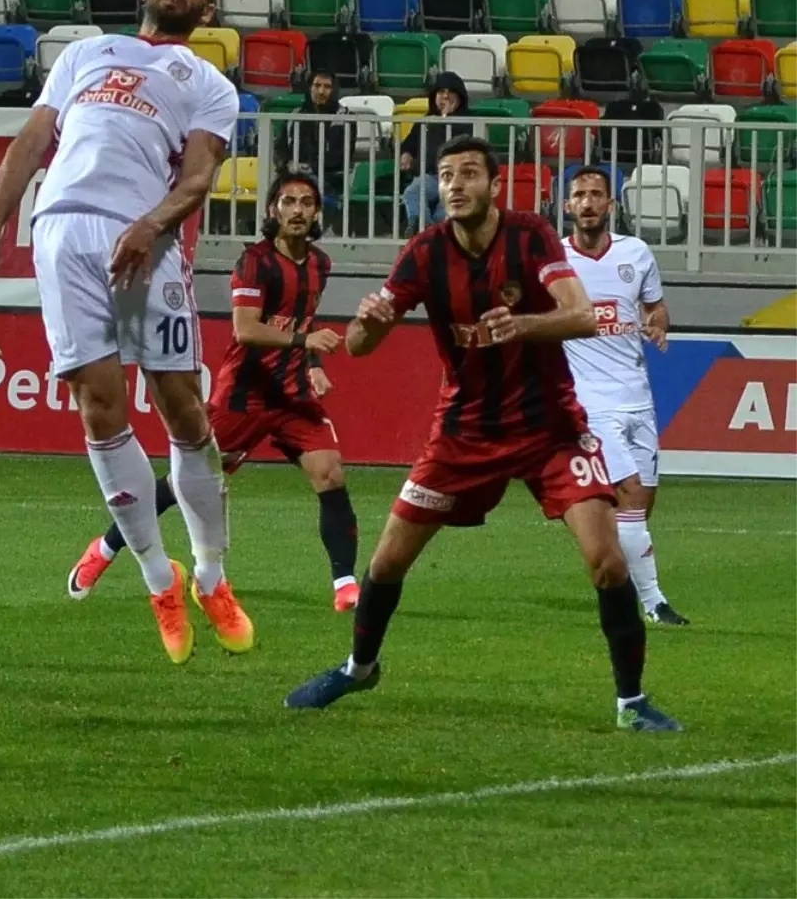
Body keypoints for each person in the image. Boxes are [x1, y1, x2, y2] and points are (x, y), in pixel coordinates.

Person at [284, 135, 683, 733]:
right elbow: (362, 348)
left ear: (495, 185)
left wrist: (521, 323)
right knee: (388, 562)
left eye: (470, 173)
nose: (456, 184)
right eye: (446, 176)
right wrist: (369, 323)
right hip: (465, 430)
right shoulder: (423, 252)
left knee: (607, 562)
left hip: (549, 425)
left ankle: (631, 703)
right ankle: (359, 667)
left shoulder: (530, 237)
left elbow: (582, 315)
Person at [0, 0, 254, 666]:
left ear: (207, 11)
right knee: (99, 409)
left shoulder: (210, 83)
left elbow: (196, 180)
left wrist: (150, 226)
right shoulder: (85, 55)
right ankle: (162, 579)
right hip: (61, 229)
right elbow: (30, 145)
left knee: (182, 408)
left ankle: (212, 576)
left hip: (144, 238)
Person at [67, 172, 361, 613]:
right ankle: (104, 550)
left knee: (330, 473)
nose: (297, 210)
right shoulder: (254, 262)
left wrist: (312, 363)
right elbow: (246, 329)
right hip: (244, 395)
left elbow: (300, 320)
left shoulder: (320, 263)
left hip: (293, 394)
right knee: (187, 481)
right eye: (288, 202)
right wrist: (306, 344)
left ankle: (345, 585)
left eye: (306, 202)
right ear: (272, 211)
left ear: (317, 212)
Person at [564, 166, 689, 627]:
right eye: (580, 195)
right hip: (590, 401)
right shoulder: (554, 262)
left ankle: (611, 576)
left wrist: (658, 322)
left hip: (637, 395)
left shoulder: (636, 253)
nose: (589, 202)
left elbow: (656, 306)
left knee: (640, 507)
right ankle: (654, 603)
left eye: (597, 194)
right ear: (568, 206)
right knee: (630, 495)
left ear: (611, 205)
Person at [400, 70, 471, 233]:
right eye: (441, 92)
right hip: (430, 177)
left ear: (460, 97)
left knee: (444, 211)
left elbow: (457, 147)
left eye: (451, 92)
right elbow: (408, 144)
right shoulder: (425, 121)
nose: (445, 97)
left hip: (456, 178)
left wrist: (445, 119)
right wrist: (407, 154)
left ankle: (432, 236)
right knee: (413, 191)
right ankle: (423, 230)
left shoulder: (469, 121)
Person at [285, 72, 355, 198]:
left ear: (334, 90)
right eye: (317, 86)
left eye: (327, 87)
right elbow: (280, 147)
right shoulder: (295, 115)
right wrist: (286, 164)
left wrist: (311, 167)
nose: (321, 91)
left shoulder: (346, 117)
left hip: (331, 178)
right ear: (310, 88)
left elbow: (341, 156)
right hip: (295, 175)